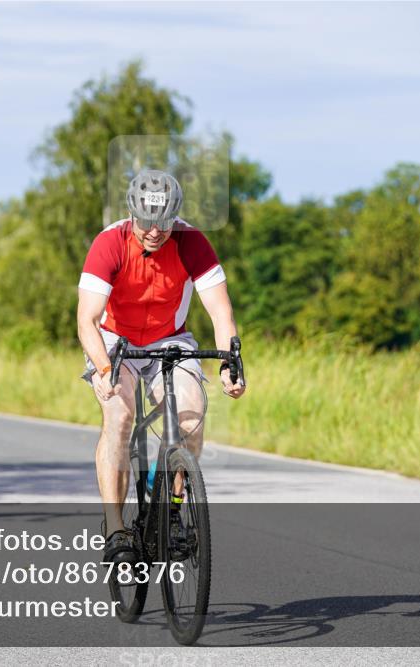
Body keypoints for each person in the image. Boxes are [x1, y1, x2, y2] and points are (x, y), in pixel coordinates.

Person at [76, 170, 246, 563]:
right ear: (132, 212)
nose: (155, 231)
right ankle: (116, 527)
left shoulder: (192, 243)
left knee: (190, 418)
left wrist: (230, 365)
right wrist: (104, 370)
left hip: (169, 337)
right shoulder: (109, 243)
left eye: (165, 222)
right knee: (119, 415)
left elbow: (222, 313)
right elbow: (87, 319)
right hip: (114, 339)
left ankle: (168, 505)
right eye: (148, 221)